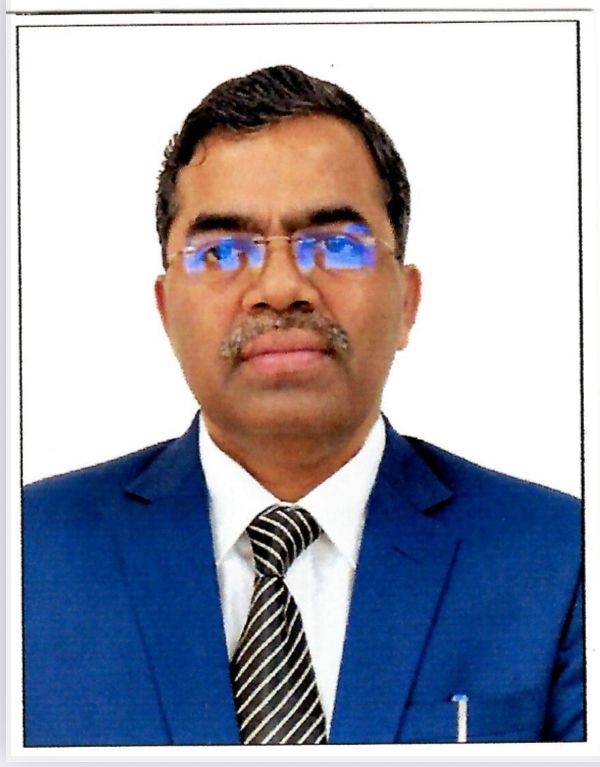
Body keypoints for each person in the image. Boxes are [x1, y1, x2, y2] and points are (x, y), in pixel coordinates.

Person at [23, 65, 583, 746]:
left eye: (335, 244)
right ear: (167, 312)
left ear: (406, 301)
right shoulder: (28, 555)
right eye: (222, 251)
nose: (281, 287)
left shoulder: (561, 557)